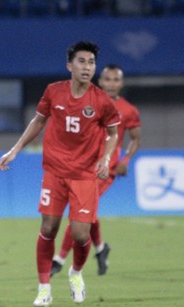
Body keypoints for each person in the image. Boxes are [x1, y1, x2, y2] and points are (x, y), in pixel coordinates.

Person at [0, 41, 120, 307]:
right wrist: (16, 149)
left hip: (85, 176)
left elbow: (113, 132)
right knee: (48, 228)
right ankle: (44, 288)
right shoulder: (53, 92)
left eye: (91, 62)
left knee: (80, 236)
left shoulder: (101, 100)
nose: (87, 67)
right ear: (69, 65)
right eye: (82, 61)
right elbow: (38, 120)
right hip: (54, 172)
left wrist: (106, 157)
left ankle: (76, 273)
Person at [51, 64, 142, 277]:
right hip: (81, 167)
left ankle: (59, 259)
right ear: (100, 81)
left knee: (78, 214)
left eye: (116, 79)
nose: (111, 83)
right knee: (87, 213)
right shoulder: (87, 102)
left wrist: (126, 159)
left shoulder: (129, 111)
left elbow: (136, 139)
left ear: (121, 83)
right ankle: (101, 248)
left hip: (105, 170)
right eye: (107, 79)